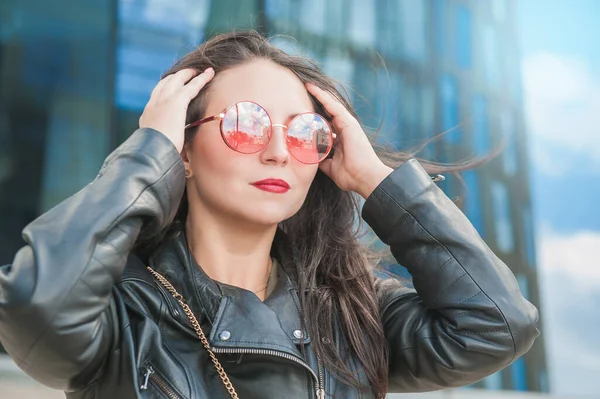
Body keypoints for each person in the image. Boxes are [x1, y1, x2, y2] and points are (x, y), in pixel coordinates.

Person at [0, 31, 539, 399]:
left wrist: (375, 179)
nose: (279, 152)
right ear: (181, 150)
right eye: (246, 123)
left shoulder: (350, 313)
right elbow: (35, 306)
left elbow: (498, 326)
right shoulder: (122, 310)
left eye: (307, 135)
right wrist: (147, 154)